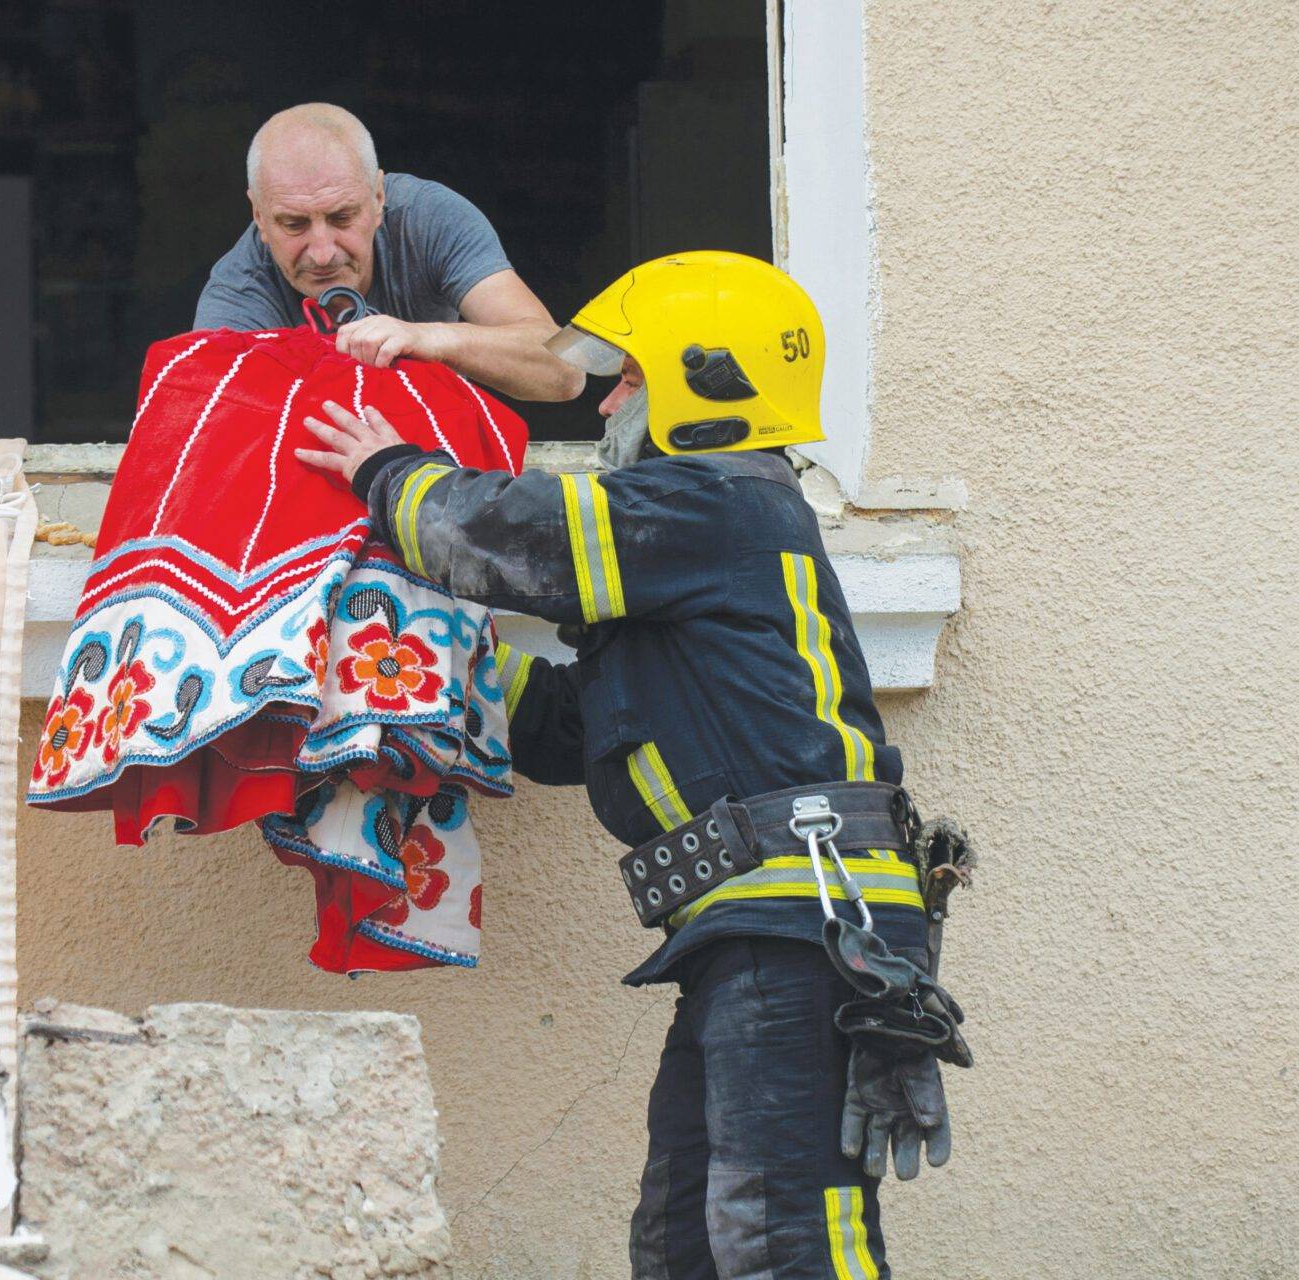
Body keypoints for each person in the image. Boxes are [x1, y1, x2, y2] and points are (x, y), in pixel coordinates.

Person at [296, 251, 972, 1279]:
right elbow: (578, 725)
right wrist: (431, 671)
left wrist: (388, 472)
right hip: (769, 926)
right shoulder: (688, 546)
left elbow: (522, 540)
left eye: (629, 376)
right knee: (690, 1240)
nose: (608, 398)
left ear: (706, 387)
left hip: (803, 924)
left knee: (783, 1237)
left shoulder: (717, 499)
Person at [195, 102, 584, 403]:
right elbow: (211, 432)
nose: (323, 252)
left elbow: (563, 370)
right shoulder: (237, 291)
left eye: (342, 217)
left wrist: (425, 340)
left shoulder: (429, 218)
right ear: (259, 217)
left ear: (379, 197)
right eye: (294, 224)